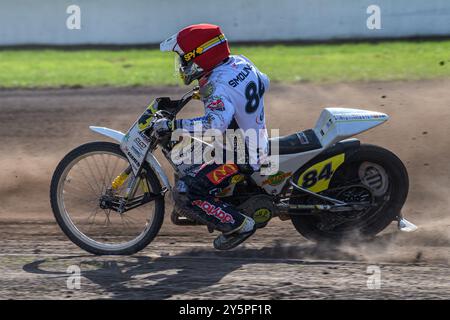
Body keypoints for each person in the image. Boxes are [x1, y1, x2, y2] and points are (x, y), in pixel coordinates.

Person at [155, 23, 270, 250]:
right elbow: (263, 81)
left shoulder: (217, 84)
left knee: (186, 193)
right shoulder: (240, 62)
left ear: (200, 55)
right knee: (185, 156)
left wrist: (172, 125)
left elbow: (213, 126)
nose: (183, 65)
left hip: (240, 154)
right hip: (251, 142)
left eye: (184, 59)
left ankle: (239, 225)